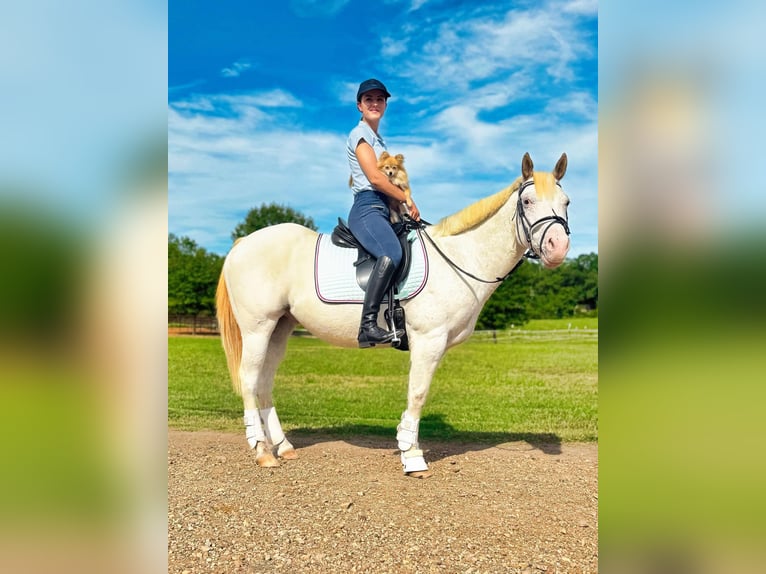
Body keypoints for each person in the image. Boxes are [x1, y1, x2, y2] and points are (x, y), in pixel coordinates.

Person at [347, 78, 421, 348]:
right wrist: (407, 200)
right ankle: (367, 325)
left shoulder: (379, 141)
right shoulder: (360, 135)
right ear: (360, 105)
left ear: (385, 104)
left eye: (380, 99)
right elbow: (377, 179)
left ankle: (398, 321)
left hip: (386, 206)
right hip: (368, 206)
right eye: (369, 100)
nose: (375, 103)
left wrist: (401, 205)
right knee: (391, 252)